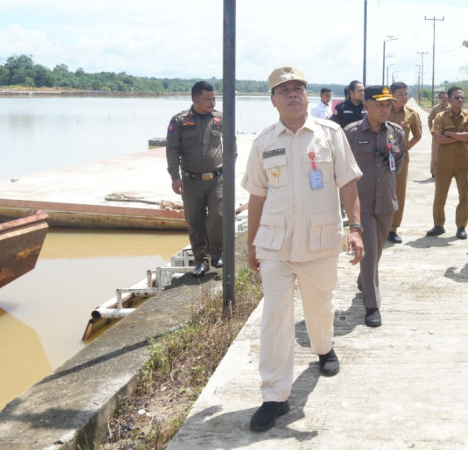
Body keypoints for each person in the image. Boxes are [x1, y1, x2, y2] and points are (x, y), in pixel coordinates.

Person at [242, 66, 365, 433]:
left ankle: (324, 348)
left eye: (299, 88)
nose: (293, 94)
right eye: (284, 90)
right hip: (276, 245)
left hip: (321, 241)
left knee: (319, 305)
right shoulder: (263, 141)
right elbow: (256, 196)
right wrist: (252, 243)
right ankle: (274, 396)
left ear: (308, 96)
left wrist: (355, 229)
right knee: (275, 319)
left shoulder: (330, 134)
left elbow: (347, 183)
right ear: (273, 99)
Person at [344, 85, 405, 327]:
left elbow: (397, 165)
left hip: (386, 201)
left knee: (377, 250)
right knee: (368, 252)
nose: (384, 108)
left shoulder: (397, 132)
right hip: (362, 202)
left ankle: (364, 280)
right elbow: (342, 169)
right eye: (379, 104)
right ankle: (372, 304)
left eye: (388, 104)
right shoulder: (351, 133)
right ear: (366, 104)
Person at [166, 80, 227, 277]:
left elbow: (231, 143)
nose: (213, 103)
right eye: (208, 99)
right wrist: (175, 177)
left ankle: (217, 254)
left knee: (218, 216)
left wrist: (230, 165)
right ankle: (201, 261)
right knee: (195, 221)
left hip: (217, 179)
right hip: (191, 181)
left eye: (214, 99)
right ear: (195, 99)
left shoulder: (219, 119)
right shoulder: (180, 121)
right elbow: (172, 150)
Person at [427, 87, 468, 239]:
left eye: (462, 98)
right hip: (443, 163)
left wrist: (449, 134)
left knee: (465, 196)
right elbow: (438, 139)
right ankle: (438, 225)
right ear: (448, 99)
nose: (460, 100)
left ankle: (461, 227)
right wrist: (458, 137)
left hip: (463, 162)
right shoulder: (440, 117)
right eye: (457, 98)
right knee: (440, 195)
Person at [386, 82, 423, 245]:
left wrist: (405, 147)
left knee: (399, 192)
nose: (404, 97)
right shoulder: (383, 109)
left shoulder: (411, 114)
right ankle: (379, 225)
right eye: (400, 94)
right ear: (392, 94)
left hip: (400, 159)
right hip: (380, 156)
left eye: (406, 94)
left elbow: (417, 135)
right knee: (380, 190)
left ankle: (393, 229)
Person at [427, 90, 450, 179]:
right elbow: (429, 120)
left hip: (449, 135)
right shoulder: (435, 109)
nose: (444, 99)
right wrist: (432, 132)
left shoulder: (452, 108)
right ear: (439, 99)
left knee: (449, 153)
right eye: (442, 98)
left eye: (446, 97)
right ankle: (434, 172)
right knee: (435, 154)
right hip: (437, 135)